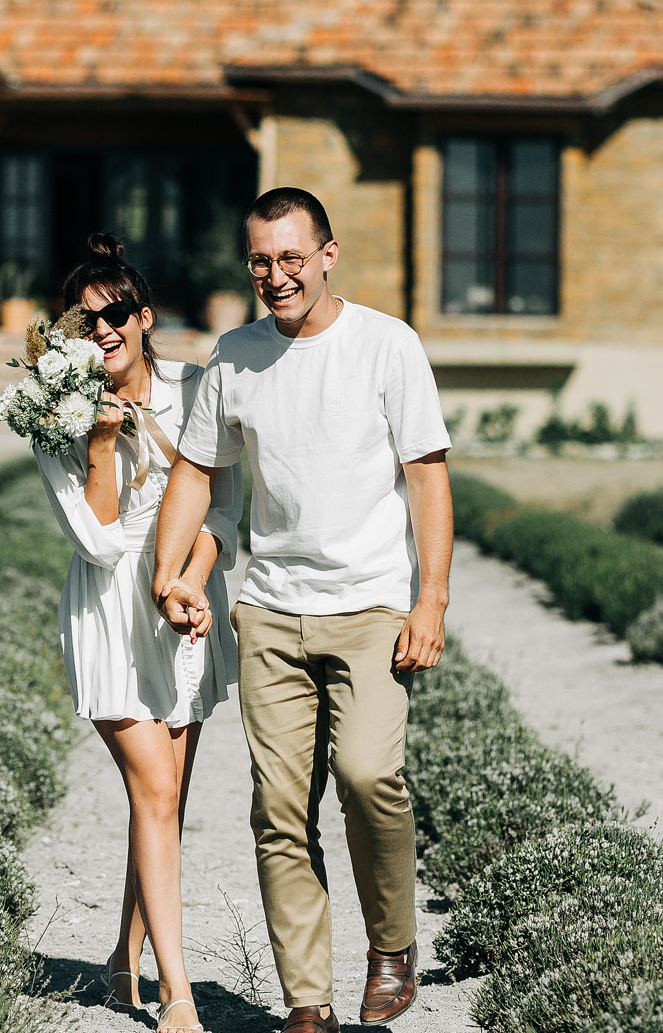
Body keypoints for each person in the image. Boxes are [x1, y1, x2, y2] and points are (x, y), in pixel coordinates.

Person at [153, 188, 455, 1033]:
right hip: (273, 614)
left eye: (292, 257)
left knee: (368, 774)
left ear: (328, 254)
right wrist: (167, 573)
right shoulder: (235, 356)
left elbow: (428, 476)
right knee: (280, 810)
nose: (276, 275)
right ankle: (306, 1001)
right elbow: (198, 472)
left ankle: (392, 943)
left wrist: (429, 598)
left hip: (369, 608)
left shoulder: (387, 345)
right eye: (260, 260)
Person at [34, 232, 244, 1033]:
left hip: (181, 601)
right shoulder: (52, 414)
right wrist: (95, 443)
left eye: (116, 313)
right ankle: (178, 993)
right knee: (156, 791)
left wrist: (190, 576)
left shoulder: (196, 388)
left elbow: (226, 506)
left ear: (144, 315)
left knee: (163, 802)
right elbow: (97, 542)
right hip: (109, 620)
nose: (104, 330)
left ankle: (122, 959)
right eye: (85, 322)